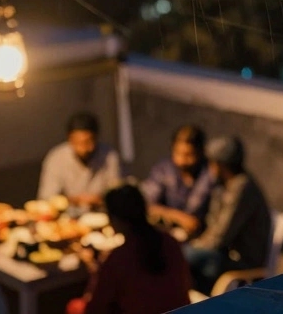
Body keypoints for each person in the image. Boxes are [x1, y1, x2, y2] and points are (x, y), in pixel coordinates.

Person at [66, 185, 191, 314]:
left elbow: (96, 308)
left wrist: (94, 269)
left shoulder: (120, 258)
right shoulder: (170, 242)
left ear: (115, 218)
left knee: (75, 307)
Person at [186, 137, 271, 294]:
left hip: (242, 262)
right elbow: (213, 223)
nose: (209, 169)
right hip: (224, 254)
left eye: (211, 164)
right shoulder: (224, 184)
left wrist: (195, 247)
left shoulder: (242, 188)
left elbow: (221, 236)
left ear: (221, 165)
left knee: (183, 257)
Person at [140, 124, 215, 238]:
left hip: (200, 239)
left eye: (189, 155)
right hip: (166, 233)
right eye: (177, 153)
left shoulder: (210, 174)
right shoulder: (164, 169)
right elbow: (146, 203)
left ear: (200, 152)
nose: (181, 161)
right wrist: (178, 217)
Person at [38, 111, 123, 207]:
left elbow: (118, 193)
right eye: (82, 142)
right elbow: (47, 198)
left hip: (102, 213)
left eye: (91, 141)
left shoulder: (110, 156)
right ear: (71, 139)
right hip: (68, 217)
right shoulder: (56, 158)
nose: (88, 148)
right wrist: (74, 200)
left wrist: (101, 199)